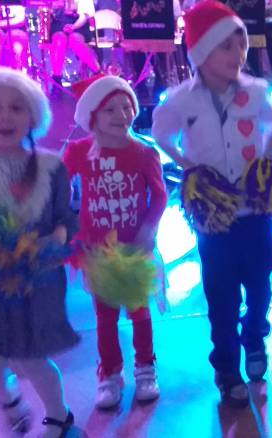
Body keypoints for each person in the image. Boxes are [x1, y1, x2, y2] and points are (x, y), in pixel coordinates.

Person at [152, 0, 272, 409]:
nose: (238, 54)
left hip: (255, 212)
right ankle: (226, 367)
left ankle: (255, 336)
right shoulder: (182, 101)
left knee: (261, 285)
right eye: (226, 46)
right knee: (221, 295)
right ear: (201, 52)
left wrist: (265, 161)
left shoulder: (255, 91)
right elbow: (161, 135)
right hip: (213, 217)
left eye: (241, 45)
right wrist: (189, 168)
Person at [0, 67, 79, 437]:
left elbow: (66, 216)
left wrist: (57, 236)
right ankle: (9, 399)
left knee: (31, 359)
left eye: (16, 107)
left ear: (33, 116)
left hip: (35, 280)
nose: (5, 116)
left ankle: (59, 415)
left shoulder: (51, 166)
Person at [63, 75, 167, 409]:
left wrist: (148, 231)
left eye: (127, 107)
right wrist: (66, 226)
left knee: (140, 312)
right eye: (110, 109)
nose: (122, 115)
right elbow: (58, 187)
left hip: (135, 251)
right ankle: (109, 372)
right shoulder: (79, 152)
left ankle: (146, 367)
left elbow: (159, 196)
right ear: (92, 116)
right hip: (98, 253)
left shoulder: (143, 152)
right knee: (105, 317)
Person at [50, 0, 101, 84]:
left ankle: (98, 73)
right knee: (59, 39)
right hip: (59, 25)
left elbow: (84, 17)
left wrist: (73, 27)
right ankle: (57, 79)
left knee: (75, 40)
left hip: (79, 25)